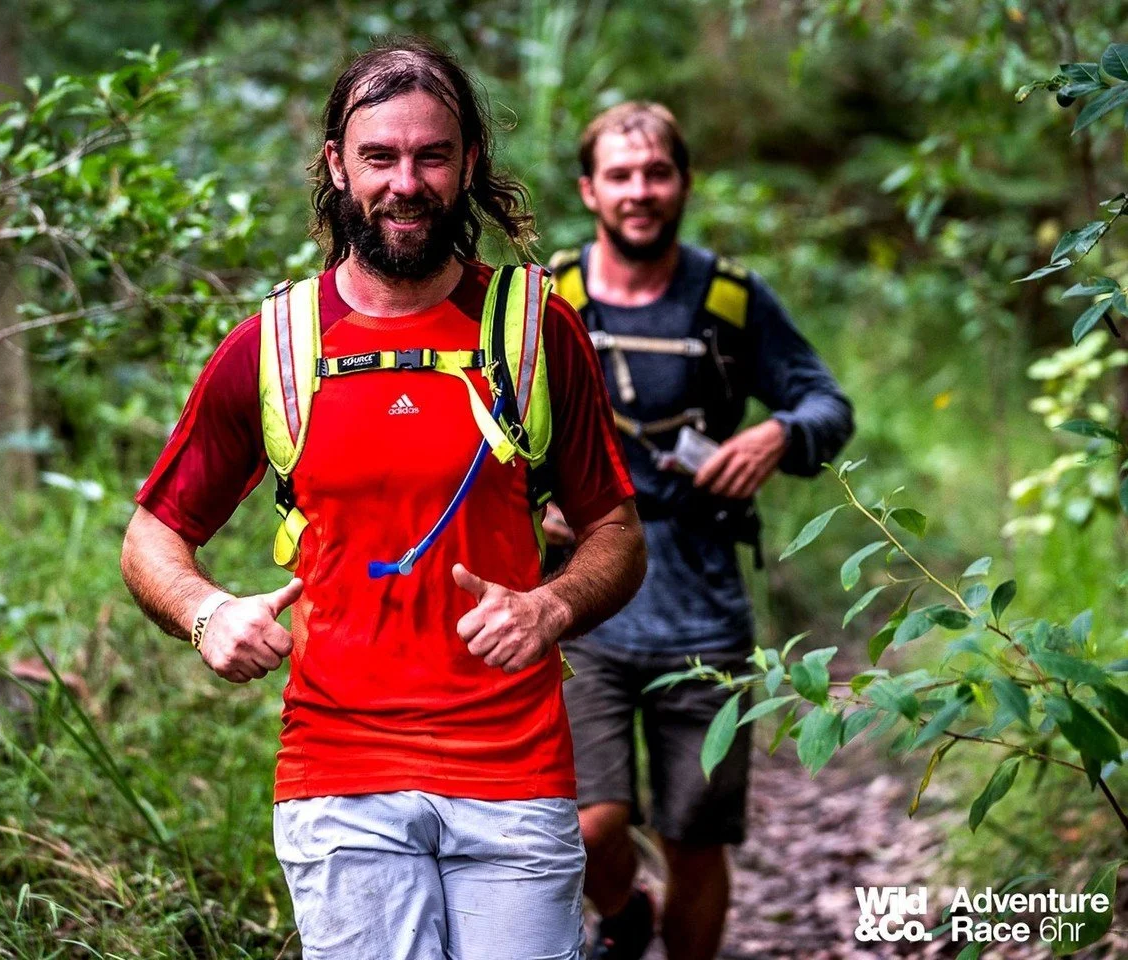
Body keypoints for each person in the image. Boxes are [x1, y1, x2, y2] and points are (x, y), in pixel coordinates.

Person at [120, 38, 647, 960]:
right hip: (338, 773)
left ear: (468, 162)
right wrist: (206, 615)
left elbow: (615, 529)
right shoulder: (276, 344)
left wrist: (550, 605)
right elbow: (153, 534)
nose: (406, 182)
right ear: (337, 166)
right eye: (379, 157)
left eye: (431, 155)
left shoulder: (530, 329)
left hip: (513, 770)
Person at [548, 102, 854, 960]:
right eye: (620, 176)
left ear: (681, 182)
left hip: (704, 618)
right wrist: (522, 498)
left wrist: (776, 433)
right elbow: (481, 430)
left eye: (655, 174)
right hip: (582, 609)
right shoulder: (549, 301)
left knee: (693, 836)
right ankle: (621, 917)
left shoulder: (728, 298)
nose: (638, 192)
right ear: (589, 189)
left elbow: (827, 403)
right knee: (586, 823)